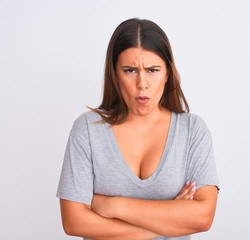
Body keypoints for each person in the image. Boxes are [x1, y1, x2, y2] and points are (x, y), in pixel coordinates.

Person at [56, 18, 219, 239]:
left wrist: (114, 206)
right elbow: (74, 222)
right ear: (115, 74)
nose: (142, 83)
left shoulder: (192, 131)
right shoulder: (87, 130)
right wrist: (167, 221)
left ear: (167, 73)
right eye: (130, 70)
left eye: (153, 70)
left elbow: (202, 217)